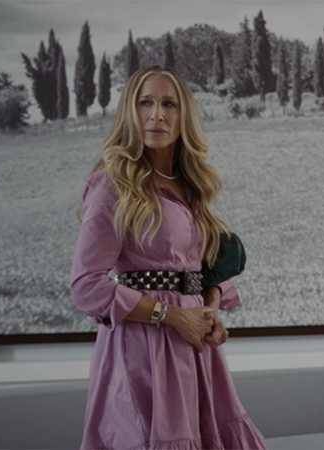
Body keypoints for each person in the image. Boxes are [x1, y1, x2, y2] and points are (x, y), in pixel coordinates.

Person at [70, 65, 267, 450]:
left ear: (183, 116)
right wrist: (173, 316)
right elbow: (86, 286)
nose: (156, 114)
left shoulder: (192, 185)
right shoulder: (112, 186)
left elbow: (199, 268)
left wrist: (209, 311)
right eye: (145, 102)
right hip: (142, 350)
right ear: (131, 111)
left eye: (168, 104)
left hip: (194, 347)